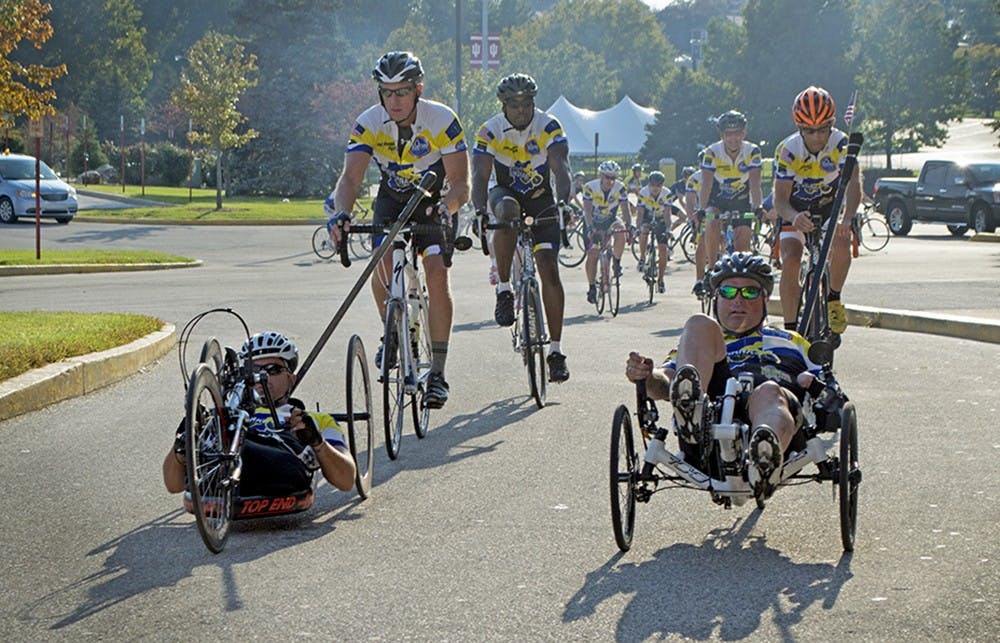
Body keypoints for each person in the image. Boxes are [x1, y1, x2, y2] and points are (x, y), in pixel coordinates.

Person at [325, 51, 470, 408]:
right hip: (391, 199)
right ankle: (391, 329)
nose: (394, 101)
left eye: (402, 92)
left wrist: (446, 208)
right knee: (382, 263)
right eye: (387, 92)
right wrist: (340, 215)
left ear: (418, 89)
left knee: (436, 274)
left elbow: (461, 185)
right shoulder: (368, 122)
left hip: (432, 201)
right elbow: (350, 179)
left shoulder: (442, 120)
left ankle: (437, 372)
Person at [624, 253, 821, 497]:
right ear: (716, 298)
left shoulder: (792, 341)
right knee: (698, 322)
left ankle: (764, 458)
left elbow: (830, 393)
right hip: (709, 427)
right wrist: (646, 376)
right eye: (728, 292)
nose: (738, 300)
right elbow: (665, 383)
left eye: (749, 292)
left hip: (774, 410)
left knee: (768, 391)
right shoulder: (700, 341)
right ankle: (692, 412)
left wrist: (816, 387)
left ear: (765, 298)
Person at [163, 332, 357, 498]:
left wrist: (318, 442)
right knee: (216, 437)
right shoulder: (224, 418)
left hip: (283, 468)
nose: (261, 377)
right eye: (253, 371)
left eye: (273, 370)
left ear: (291, 378)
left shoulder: (314, 420)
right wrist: (181, 444)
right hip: (226, 469)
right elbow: (174, 486)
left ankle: (235, 456)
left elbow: (347, 480)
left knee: (233, 445)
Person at [471, 72, 572, 382]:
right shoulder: (489, 131)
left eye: (526, 105)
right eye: (513, 106)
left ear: (533, 103)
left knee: (549, 270)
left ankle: (555, 351)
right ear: (503, 106)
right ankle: (504, 289)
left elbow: (560, 167)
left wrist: (565, 202)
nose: (520, 111)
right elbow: (479, 175)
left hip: (541, 199)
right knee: (506, 209)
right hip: (506, 195)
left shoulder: (548, 126)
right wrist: (478, 211)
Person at [773, 86, 861, 334]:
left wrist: (848, 217)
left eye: (823, 129)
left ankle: (833, 298)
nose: (817, 137)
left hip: (829, 206)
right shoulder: (788, 150)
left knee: (842, 241)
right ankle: (791, 331)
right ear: (800, 128)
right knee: (790, 259)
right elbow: (780, 200)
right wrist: (793, 216)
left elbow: (854, 184)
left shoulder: (841, 143)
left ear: (832, 124)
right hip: (796, 208)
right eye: (810, 131)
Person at [697, 110, 764, 261]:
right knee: (712, 222)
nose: (733, 138)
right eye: (729, 134)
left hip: (741, 198)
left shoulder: (753, 151)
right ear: (722, 136)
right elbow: (706, 184)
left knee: (742, 253)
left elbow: (755, 184)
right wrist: (701, 209)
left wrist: (758, 206)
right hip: (717, 196)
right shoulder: (712, 152)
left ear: (744, 134)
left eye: (737, 133)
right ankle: (712, 267)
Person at [581, 160, 633, 303]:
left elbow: (625, 209)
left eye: (613, 178)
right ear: (601, 176)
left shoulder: (620, 188)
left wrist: (630, 226)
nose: (610, 181)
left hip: (610, 220)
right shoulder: (590, 187)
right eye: (607, 177)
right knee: (593, 255)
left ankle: (616, 261)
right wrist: (591, 228)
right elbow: (587, 210)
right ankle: (592, 287)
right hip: (592, 221)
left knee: (620, 230)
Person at [634, 170, 674, 293]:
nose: (655, 188)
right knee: (644, 230)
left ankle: (661, 280)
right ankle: (642, 257)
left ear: (662, 185)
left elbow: (667, 213)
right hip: (647, 215)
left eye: (658, 185)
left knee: (663, 250)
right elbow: (639, 212)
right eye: (653, 185)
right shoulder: (643, 192)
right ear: (649, 184)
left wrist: (668, 229)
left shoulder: (667, 193)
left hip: (661, 218)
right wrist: (638, 227)